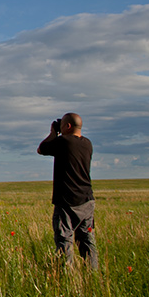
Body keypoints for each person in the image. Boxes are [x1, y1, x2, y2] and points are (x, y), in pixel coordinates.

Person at [38, 112, 98, 270]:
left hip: (66, 200)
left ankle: (67, 276)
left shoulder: (63, 141)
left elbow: (41, 149)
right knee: (87, 239)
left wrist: (53, 133)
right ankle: (92, 273)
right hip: (86, 199)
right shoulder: (88, 143)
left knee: (64, 240)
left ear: (68, 126)